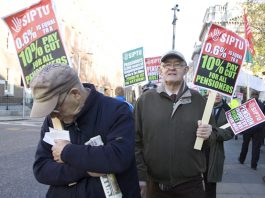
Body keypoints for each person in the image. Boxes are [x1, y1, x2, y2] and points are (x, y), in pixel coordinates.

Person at [30, 63, 141, 198]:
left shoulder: (116, 110)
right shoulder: (53, 120)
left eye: (56, 107)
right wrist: (86, 169)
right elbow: (41, 169)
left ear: (76, 94)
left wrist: (67, 151)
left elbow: (118, 157)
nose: (53, 115)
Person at [134, 50, 215, 198]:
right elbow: (135, 141)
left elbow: (212, 138)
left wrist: (209, 134)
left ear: (186, 70)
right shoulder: (144, 101)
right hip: (155, 186)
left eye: (177, 64)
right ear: (160, 70)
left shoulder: (200, 101)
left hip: (191, 186)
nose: (172, 68)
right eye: (167, 65)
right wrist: (141, 177)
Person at [203, 93, 234, 198]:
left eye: (221, 92)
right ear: (208, 91)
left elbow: (230, 132)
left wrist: (214, 131)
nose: (218, 95)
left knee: (210, 184)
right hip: (197, 150)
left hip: (215, 152)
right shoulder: (200, 105)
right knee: (193, 183)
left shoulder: (228, 110)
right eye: (214, 92)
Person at [238, 91, 265, 170]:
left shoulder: (249, 104)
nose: (254, 96)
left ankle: (243, 160)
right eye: (254, 94)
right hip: (255, 128)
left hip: (253, 129)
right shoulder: (259, 104)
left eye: (255, 94)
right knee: (253, 147)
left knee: (248, 145)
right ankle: (252, 163)